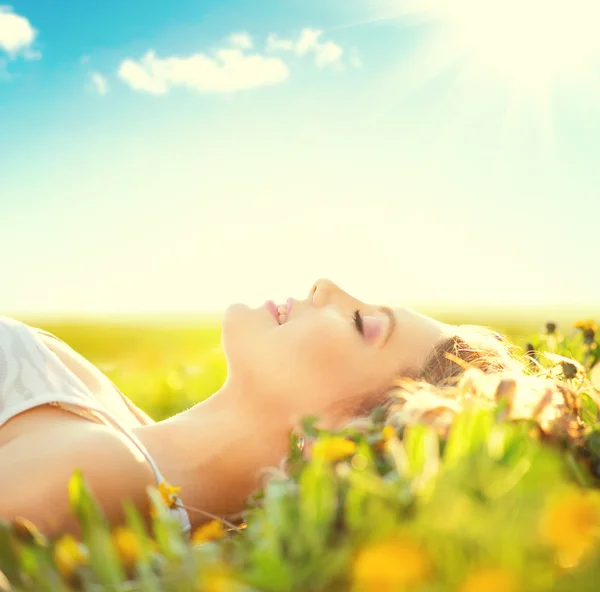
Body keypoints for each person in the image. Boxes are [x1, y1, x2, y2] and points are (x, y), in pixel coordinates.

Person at [0, 279, 519, 536]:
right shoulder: (116, 427)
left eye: (364, 324)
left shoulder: (106, 477)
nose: (326, 287)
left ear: (343, 441)